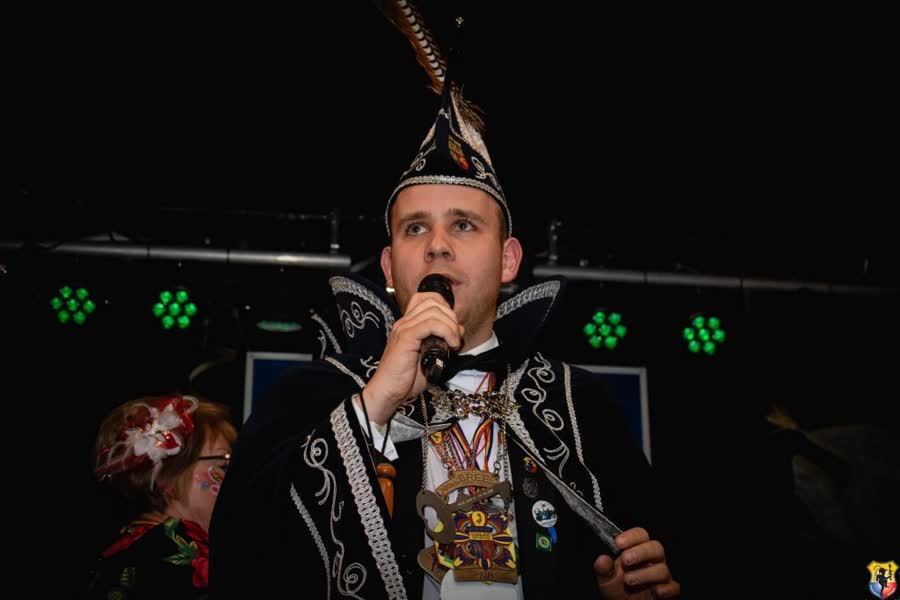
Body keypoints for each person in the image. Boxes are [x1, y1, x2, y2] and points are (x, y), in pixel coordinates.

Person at [210, 8, 679, 599]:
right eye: (415, 229)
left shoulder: (576, 405)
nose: (436, 245)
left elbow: (643, 557)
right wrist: (373, 406)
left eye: (463, 225)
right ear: (389, 268)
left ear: (508, 260)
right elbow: (244, 555)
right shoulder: (314, 394)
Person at [86, 393, 237, 599]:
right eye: (223, 464)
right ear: (168, 476)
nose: (235, 477)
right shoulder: (176, 552)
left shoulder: (129, 544)